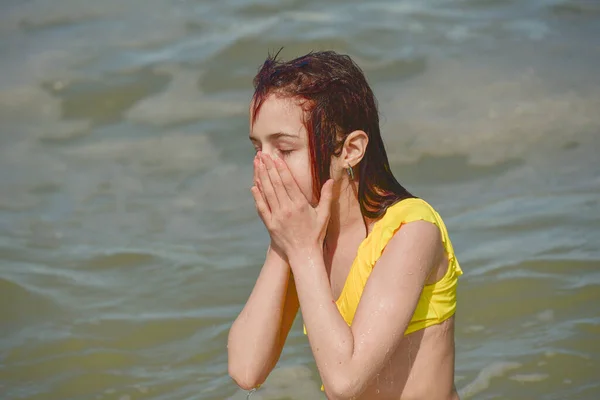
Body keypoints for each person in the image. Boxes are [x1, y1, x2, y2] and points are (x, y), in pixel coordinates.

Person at [227, 50, 462, 400]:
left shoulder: (411, 231)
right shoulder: (308, 238)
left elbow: (344, 382)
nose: (265, 167)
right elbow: (247, 371)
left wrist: (303, 250)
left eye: (285, 149)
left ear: (350, 150)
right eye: (258, 149)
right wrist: (282, 243)